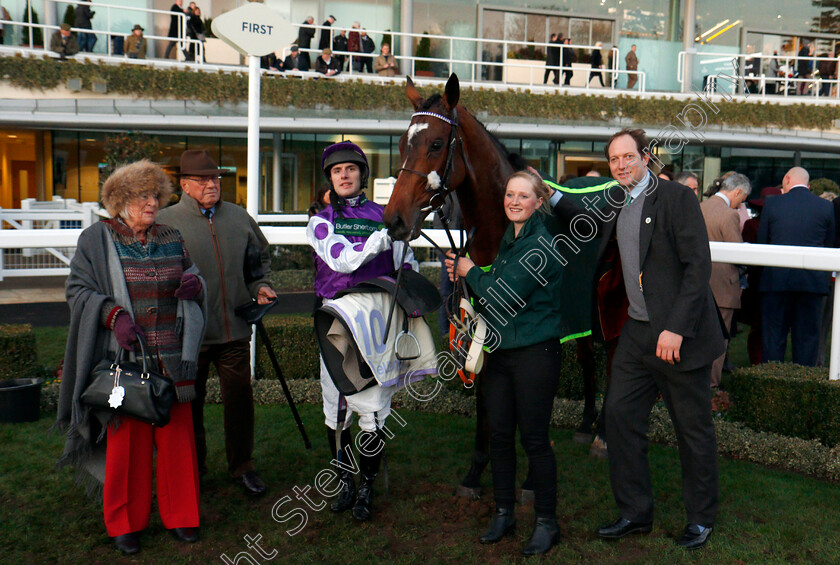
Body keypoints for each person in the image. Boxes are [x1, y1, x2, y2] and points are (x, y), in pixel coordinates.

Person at [551, 128, 724, 550]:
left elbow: (698, 267)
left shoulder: (678, 199)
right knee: (620, 418)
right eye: (614, 159)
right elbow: (582, 213)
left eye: (628, 156)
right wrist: (547, 193)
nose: (621, 165)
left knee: (692, 430)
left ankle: (701, 518)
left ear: (646, 157)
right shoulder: (615, 202)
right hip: (637, 332)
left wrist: (676, 327)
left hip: (678, 335)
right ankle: (634, 512)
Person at [56, 160, 204, 555]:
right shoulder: (96, 239)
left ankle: (183, 517)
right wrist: (113, 315)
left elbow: (194, 276)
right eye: (143, 196)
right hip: (124, 364)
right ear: (121, 202)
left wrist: (195, 283)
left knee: (178, 446)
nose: (153, 202)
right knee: (127, 452)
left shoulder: (173, 236)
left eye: (156, 194)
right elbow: (78, 290)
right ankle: (124, 523)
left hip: (173, 361)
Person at [445, 171, 564, 556]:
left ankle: (547, 522)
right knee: (498, 434)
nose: (514, 201)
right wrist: (472, 279)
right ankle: (503, 512)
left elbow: (502, 293)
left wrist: (470, 272)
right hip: (499, 353)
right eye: (509, 195)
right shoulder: (510, 240)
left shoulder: (541, 244)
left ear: (538, 202)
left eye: (522, 196)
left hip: (534, 354)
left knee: (533, 439)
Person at [306, 141, 417, 523]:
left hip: (375, 323)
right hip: (336, 322)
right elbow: (343, 259)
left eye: (351, 169)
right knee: (336, 410)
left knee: (372, 411)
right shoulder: (320, 221)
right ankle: (343, 482)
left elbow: (406, 264)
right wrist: (385, 236)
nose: (344, 176)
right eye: (337, 171)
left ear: (362, 174)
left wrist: (405, 254)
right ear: (330, 179)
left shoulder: (385, 214)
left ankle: (366, 486)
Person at [157, 150, 278, 496]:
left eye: (216, 178)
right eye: (203, 179)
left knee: (240, 400)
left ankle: (242, 466)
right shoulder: (166, 224)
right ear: (184, 185)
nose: (212, 184)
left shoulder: (239, 219)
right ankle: (193, 469)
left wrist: (260, 286)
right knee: (188, 408)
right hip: (189, 337)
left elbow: (257, 264)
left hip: (234, 330)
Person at [758, 166, 835, 366]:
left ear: (787, 179)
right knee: (807, 340)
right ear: (808, 185)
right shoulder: (825, 207)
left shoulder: (773, 204)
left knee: (773, 338)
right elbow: (830, 244)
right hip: (811, 283)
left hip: (776, 281)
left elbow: (762, 242)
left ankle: (772, 386)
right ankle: (803, 386)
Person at [700, 173, 749, 387]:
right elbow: (737, 254)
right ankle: (711, 386)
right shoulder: (729, 215)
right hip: (722, 288)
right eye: (743, 198)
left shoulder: (698, 206)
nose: (742, 203)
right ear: (737, 191)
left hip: (697, 283)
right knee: (719, 340)